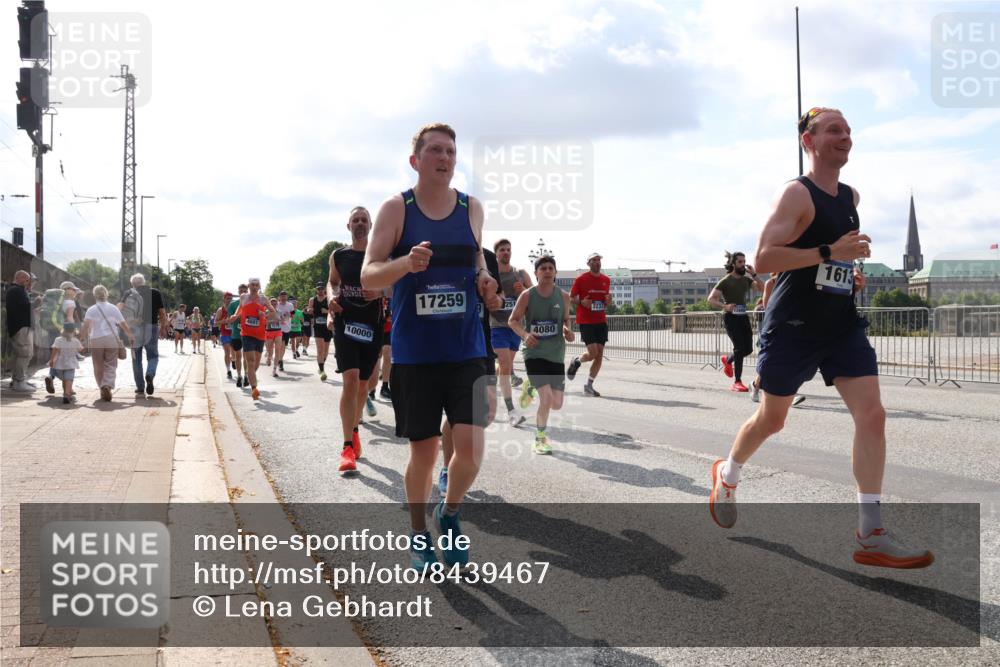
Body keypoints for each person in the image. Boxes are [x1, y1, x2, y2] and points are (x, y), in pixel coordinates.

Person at [709, 106, 931, 569]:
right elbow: (765, 259)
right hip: (792, 327)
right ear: (808, 141)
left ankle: (871, 530)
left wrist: (845, 272)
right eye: (833, 130)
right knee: (772, 421)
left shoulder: (851, 195)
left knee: (873, 416)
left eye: (848, 130)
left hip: (840, 325)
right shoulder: (796, 194)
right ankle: (728, 475)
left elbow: (828, 262)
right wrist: (831, 251)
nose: (844, 136)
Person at [361, 122, 498, 570]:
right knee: (424, 452)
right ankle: (419, 532)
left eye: (451, 152)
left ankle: (451, 513)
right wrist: (405, 262)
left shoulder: (471, 208)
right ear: (415, 160)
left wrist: (484, 279)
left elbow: (477, 258)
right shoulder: (396, 209)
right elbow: (368, 278)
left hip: (467, 348)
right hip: (416, 352)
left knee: (471, 447)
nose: (445, 158)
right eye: (435, 150)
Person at [439, 246, 503, 494]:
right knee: (461, 414)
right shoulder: (442, 249)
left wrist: (495, 300)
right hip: (448, 344)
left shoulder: (487, 258)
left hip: (480, 344)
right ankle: (447, 469)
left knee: (484, 412)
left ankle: (452, 463)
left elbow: (499, 299)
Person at [329, 206, 385, 473]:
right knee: (350, 380)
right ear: (348, 226)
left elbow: (398, 282)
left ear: (371, 225)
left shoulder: (381, 255)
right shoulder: (338, 255)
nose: (360, 223)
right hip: (345, 323)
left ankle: (354, 428)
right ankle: (346, 447)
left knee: (364, 386)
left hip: (371, 326)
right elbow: (333, 282)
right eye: (355, 220)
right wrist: (331, 298)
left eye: (364, 219)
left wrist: (382, 290)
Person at [507, 255, 574, 454]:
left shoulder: (564, 296)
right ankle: (540, 438)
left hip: (555, 353)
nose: (546, 271)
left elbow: (565, 319)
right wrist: (525, 335)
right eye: (542, 268)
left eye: (550, 268)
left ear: (555, 272)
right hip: (534, 354)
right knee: (546, 400)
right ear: (536, 273)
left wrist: (568, 330)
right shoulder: (528, 295)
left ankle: (531, 388)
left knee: (557, 404)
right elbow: (513, 320)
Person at [490, 239, 533, 426]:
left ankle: (489, 375)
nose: (506, 252)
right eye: (502, 250)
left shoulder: (520, 273)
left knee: (504, 368)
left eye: (508, 249)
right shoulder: (491, 275)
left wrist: (523, 290)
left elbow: (536, 296)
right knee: (506, 365)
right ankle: (511, 411)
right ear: (496, 254)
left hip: (515, 328)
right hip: (496, 325)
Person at [708, 251, 765, 392]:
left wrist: (754, 274)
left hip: (743, 317)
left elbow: (764, 288)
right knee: (739, 348)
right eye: (740, 262)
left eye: (744, 261)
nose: (743, 264)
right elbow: (711, 298)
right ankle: (737, 382)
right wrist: (724, 306)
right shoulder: (726, 280)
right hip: (730, 318)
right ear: (733, 264)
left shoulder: (747, 280)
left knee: (748, 349)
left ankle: (728, 360)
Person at [752, 274, 806, 407]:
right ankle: (756, 385)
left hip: (794, 325)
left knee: (792, 360)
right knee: (771, 362)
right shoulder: (771, 283)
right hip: (776, 326)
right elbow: (767, 306)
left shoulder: (796, 280)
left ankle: (790, 394)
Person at [567, 253, 611, 397]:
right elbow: (571, 297)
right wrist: (581, 302)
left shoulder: (606, 280)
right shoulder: (581, 279)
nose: (597, 263)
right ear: (588, 263)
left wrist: (608, 301)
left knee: (599, 356)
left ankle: (589, 386)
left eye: (599, 260)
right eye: (594, 260)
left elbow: (605, 300)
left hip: (601, 321)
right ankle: (577, 361)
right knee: (593, 353)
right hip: (586, 321)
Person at [80, 284, 133, 402]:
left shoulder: (91, 309)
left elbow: (85, 326)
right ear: (106, 294)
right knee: (111, 364)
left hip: (96, 339)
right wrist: (130, 335)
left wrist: (81, 339)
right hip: (111, 339)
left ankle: (101, 388)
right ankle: (107, 385)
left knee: (98, 365)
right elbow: (123, 323)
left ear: (95, 296)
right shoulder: (113, 308)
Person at [119, 273, 168, 397]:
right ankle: (150, 374)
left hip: (134, 329)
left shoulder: (128, 293)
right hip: (151, 327)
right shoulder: (155, 293)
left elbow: (120, 310)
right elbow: (162, 312)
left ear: (132, 284)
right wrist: (163, 327)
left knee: (136, 359)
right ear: (144, 282)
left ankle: (140, 387)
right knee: (153, 356)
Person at [230, 278, 275, 400]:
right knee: (250, 361)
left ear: (259, 286)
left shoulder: (263, 299)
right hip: (246, 333)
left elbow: (274, 313)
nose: (254, 287)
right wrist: (234, 316)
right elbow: (239, 309)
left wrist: (264, 315)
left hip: (260, 334)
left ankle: (251, 376)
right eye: (252, 285)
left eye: (256, 285)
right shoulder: (244, 297)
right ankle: (254, 388)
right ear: (249, 286)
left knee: (255, 364)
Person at [6, 270, 36, 392]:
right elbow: (26, 306)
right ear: (19, 277)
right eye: (27, 279)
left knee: (20, 355)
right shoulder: (17, 291)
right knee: (25, 354)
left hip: (19, 327)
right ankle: (19, 381)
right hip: (21, 328)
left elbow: (23, 308)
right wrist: (37, 302)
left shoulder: (15, 291)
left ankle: (16, 380)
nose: (28, 282)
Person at [45, 322, 83, 404]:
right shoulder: (75, 341)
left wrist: (51, 360)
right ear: (74, 331)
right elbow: (80, 349)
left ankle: (51, 377)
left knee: (63, 379)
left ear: (63, 330)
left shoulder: (58, 340)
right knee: (68, 379)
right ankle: (66, 394)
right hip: (71, 363)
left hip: (59, 363)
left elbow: (54, 350)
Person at [307, 282, 333, 381]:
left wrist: (326, 311)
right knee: (320, 350)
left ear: (324, 290)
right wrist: (310, 310)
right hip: (318, 326)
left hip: (327, 327)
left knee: (326, 351)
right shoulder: (312, 300)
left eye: (322, 289)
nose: (320, 290)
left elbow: (334, 311)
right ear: (316, 290)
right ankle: (322, 371)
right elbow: (310, 309)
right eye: (318, 289)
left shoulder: (329, 298)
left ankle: (321, 364)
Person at [275, 290, 295, 372]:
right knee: (280, 345)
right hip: (277, 328)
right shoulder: (276, 305)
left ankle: (280, 359)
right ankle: (280, 361)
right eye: (281, 296)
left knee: (283, 347)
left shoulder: (290, 305)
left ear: (287, 297)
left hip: (287, 328)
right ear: (279, 297)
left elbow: (292, 315)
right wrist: (279, 317)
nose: (283, 297)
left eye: (285, 296)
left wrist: (288, 316)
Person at [216, 292, 235, 380]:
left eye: (231, 298)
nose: (229, 300)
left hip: (235, 333)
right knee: (227, 352)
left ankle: (233, 360)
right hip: (225, 333)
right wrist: (223, 321)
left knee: (234, 352)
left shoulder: (235, 309)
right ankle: (228, 370)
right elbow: (215, 323)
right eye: (228, 298)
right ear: (224, 299)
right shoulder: (221, 310)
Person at [377, 293, 393, 400]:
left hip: (389, 331)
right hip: (376, 329)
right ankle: (371, 389)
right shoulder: (375, 293)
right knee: (376, 358)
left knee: (387, 355)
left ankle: (384, 387)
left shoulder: (393, 295)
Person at [264, 297, 282, 371]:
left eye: (275, 303)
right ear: (269, 304)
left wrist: (282, 319)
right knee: (270, 350)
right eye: (272, 303)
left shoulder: (279, 312)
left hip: (278, 331)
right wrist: (272, 321)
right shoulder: (266, 312)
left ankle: (274, 369)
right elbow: (264, 322)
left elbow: (282, 320)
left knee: (278, 350)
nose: (274, 305)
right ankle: (269, 357)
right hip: (269, 332)